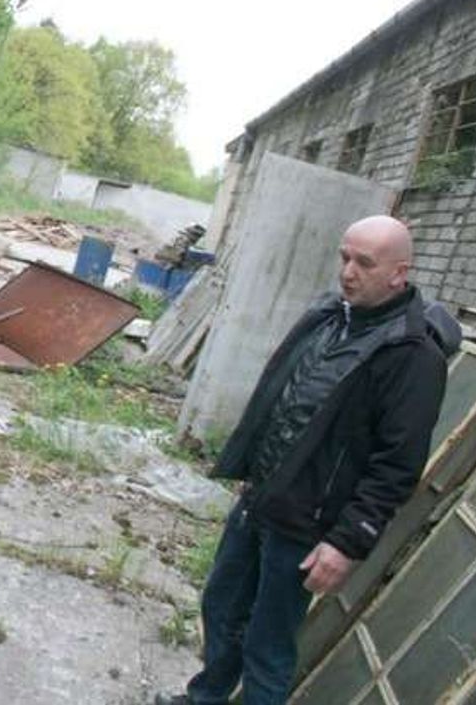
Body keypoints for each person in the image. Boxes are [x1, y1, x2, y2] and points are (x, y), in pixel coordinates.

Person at [157, 215, 460, 705]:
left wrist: (346, 542)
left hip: (307, 526)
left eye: (365, 262)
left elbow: (397, 466)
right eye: (344, 256)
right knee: (222, 608)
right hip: (262, 499)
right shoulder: (329, 316)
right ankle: (205, 698)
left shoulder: (412, 355)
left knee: (267, 644)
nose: (348, 271)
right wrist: (253, 470)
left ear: (399, 273)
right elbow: (281, 401)